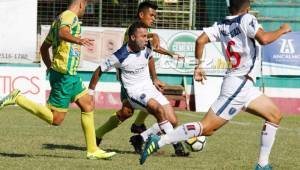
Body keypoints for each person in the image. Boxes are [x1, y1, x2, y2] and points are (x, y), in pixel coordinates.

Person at [140, 0, 291, 169]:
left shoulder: (222, 24)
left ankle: (262, 165)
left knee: (274, 115)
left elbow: (200, 41)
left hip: (244, 85)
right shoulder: (247, 18)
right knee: (207, 128)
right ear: (247, 6)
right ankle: (159, 140)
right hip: (238, 84)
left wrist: (199, 65)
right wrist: (282, 29)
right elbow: (263, 39)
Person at [0, 0, 116, 160]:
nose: (85, 10)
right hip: (65, 74)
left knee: (87, 105)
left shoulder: (58, 19)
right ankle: (18, 98)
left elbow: (43, 48)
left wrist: (50, 67)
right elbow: (63, 33)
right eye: (86, 7)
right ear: (81, 4)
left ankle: (92, 150)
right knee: (56, 119)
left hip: (68, 74)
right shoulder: (70, 16)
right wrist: (79, 40)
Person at [93, 1, 188, 156]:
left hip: (143, 84)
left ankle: (138, 132)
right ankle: (99, 134)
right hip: (129, 84)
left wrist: (155, 77)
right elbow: (133, 52)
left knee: (159, 113)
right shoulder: (131, 33)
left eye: (155, 16)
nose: (154, 18)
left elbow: (149, 56)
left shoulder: (143, 35)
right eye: (151, 15)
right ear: (141, 15)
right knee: (127, 113)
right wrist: (153, 35)